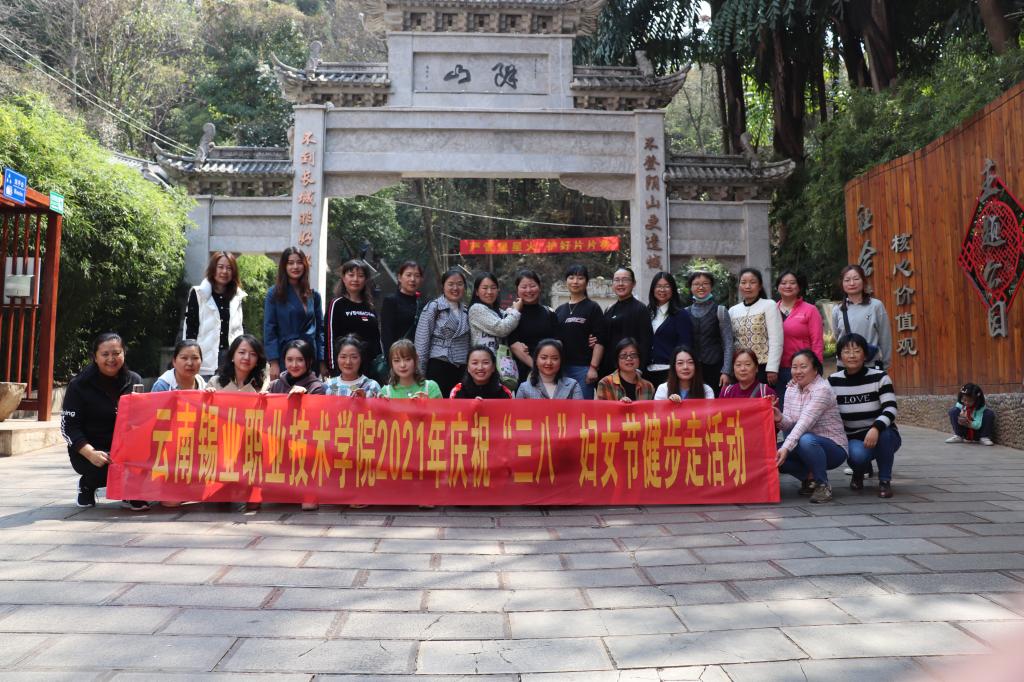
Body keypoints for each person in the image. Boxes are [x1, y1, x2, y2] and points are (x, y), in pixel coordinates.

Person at [60, 332, 148, 511]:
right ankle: (87, 484)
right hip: (91, 449)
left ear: (124, 353)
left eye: (116, 353)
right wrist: (90, 453)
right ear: (95, 357)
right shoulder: (79, 385)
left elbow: (144, 420)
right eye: (105, 354)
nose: (111, 359)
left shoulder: (135, 380)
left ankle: (130, 490)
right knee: (103, 470)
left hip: (125, 448)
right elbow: (68, 427)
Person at [828, 333, 900, 498]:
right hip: (853, 437)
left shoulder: (880, 377)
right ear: (839, 356)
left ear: (865, 355)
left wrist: (876, 428)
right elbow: (819, 404)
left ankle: (884, 480)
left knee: (885, 435)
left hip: (882, 433)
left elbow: (890, 408)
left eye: (857, 351)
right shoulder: (832, 381)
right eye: (846, 351)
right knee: (858, 456)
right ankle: (859, 471)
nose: (852, 355)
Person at [774, 349, 849, 504]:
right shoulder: (791, 389)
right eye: (794, 367)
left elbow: (803, 423)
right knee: (771, 454)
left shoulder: (822, 390)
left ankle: (823, 485)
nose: (798, 371)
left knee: (805, 440)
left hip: (833, 448)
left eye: (803, 366)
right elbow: (790, 423)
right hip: (802, 443)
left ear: (815, 369)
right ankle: (809, 478)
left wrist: (786, 448)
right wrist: (779, 418)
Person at [264, 247, 325, 380]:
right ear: (284, 266)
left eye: (299, 262)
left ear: (305, 265)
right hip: (287, 356)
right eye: (290, 263)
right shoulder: (274, 294)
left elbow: (320, 330)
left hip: (309, 355)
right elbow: (270, 329)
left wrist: (321, 360)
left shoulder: (314, 295)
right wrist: (273, 361)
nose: (295, 267)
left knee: (310, 391)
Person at [183, 251, 246, 379]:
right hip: (204, 358)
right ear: (213, 269)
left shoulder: (238, 296)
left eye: (229, 268)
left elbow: (240, 328)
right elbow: (190, 327)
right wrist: (190, 356)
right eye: (220, 267)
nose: (224, 271)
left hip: (230, 359)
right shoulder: (198, 293)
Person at [414, 268, 471, 397]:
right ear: (443, 286)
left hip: (461, 368)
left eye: (459, 284)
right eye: (450, 284)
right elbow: (422, 342)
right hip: (438, 366)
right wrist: (419, 375)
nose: (455, 288)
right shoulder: (433, 307)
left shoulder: (466, 311)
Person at [325, 259, 383, 380]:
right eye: (351, 275)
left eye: (360, 276)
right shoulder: (336, 304)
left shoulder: (370, 306)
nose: (355, 279)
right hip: (345, 369)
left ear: (365, 280)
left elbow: (376, 339)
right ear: (343, 278)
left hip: (370, 370)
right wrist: (332, 368)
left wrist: (379, 365)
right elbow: (329, 338)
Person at [554, 264, 605, 400]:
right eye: (571, 277)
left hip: (583, 369)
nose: (575, 282)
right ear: (566, 281)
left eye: (580, 278)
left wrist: (593, 367)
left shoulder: (593, 308)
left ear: (586, 282)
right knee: (562, 408)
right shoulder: (559, 310)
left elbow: (600, 340)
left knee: (582, 409)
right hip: (561, 369)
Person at [775, 269, 824, 410]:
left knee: (802, 410)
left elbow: (817, 342)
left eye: (792, 283)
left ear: (799, 286)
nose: (788, 286)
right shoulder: (771, 309)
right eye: (783, 283)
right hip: (776, 370)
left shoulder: (810, 310)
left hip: (802, 369)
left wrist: (816, 369)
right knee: (781, 411)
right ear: (778, 287)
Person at [729, 267, 783, 386]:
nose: (747, 286)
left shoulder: (769, 305)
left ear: (760, 286)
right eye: (743, 282)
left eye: (752, 282)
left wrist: (772, 368)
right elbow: (730, 341)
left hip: (763, 367)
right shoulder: (733, 311)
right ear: (739, 286)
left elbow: (776, 339)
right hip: (740, 368)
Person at [832, 264, 892, 370]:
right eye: (847, 280)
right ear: (842, 284)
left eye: (856, 279)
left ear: (863, 281)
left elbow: (885, 337)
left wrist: (885, 364)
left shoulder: (876, 306)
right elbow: (838, 337)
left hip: (870, 364)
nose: (852, 283)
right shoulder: (838, 309)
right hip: (845, 366)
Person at [685, 270, 734, 397]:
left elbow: (728, 342)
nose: (701, 287)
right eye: (696, 284)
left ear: (711, 286)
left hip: (715, 367)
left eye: (705, 283)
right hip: (691, 368)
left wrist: (726, 371)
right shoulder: (685, 312)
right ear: (691, 287)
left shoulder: (720, 311)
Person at [507, 269, 558, 383]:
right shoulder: (512, 315)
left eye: (532, 286)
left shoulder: (550, 313)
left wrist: (546, 367)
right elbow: (514, 345)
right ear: (517, 289)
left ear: (539, 287)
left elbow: (558, 342)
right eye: (524, 287)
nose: (529, 290)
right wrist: (537, 368)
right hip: (522, 373)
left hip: (550, 371)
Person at [601, 267, 651, 378]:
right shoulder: (609, 310)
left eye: (625, 280)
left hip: (630, 370)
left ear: (633, 283)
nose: (620, 284)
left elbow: (646, 342)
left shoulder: (640, 309)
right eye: (617, 280)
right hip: (608, 370)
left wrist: (640, 369)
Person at [646, 271, 694, 389]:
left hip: (670, 371)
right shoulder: (647, 312)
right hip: (647, 372)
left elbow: (685, 344)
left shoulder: (681, 315)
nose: (662, 290)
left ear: (673, 289)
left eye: (666, 286)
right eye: (658, 286)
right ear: (653, 289)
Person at [467, 271, 521, 354]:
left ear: (498, 290)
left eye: (493, 288)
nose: (489, 292)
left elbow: (507, 319)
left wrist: (511, 310)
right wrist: (516, 311)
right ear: (477, 292)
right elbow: (502, 328)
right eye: (485, 288)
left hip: (499, 360)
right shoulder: (476, 309)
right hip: (483, 360)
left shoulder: (497, 311)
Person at [515, 338, 583, 399]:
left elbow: (579, 409)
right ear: (536, 360)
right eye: (544, 358)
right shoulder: (524, 388)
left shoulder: (573, 385)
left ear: (561, 361)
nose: (549, 362)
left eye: (554, 358)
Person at [380, 260, 424, 354]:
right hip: (398, 356)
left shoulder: (422, 304)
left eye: (417, 276)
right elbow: (386, 334)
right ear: (399, 277)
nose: (412, 279)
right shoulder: (391, 301)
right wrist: (391, 359)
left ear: (421, 279)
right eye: (408, 275)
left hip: (418, 355)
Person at [596, 337, 655, 402]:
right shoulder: (605, 383)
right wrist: (619, 405)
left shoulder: (648, 386)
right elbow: (600, 407)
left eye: (633, 355)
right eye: (623, 355)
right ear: (617, 360)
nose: (629, 358)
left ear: (639, 359)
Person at [450, 346, 514, 399]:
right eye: (475, 363)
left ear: (493, 367)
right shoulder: (458, 390)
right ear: (468, 367)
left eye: (485, 363)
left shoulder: (503, 392)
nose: (480, 368)